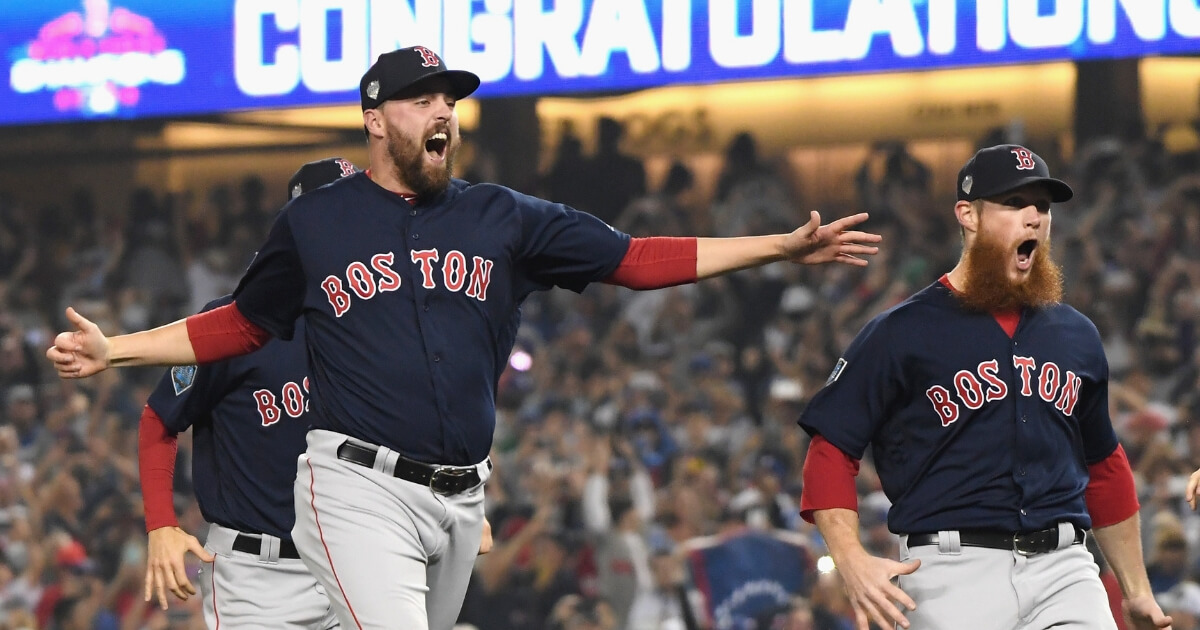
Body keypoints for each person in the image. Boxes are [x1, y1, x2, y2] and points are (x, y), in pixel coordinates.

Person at [46, 45, 880, 630]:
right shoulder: (316, 222)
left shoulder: (500, 215)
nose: (443, 111)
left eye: (450, 98)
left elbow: (633, 259)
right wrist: (117, 349)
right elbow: (240, 323)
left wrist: (777, 245)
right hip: (350, 486)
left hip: (459, 498)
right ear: (376, 119)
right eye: (422, 98)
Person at [796, 145, 1171, 630]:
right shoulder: (901, 331)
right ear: (967, 215)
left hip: (1065, 568)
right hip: (951, 574)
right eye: (1014, 203)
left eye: (1043, 206)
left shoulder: (1075, 334)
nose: (1034, 217)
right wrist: (851, 560)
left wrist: (1136, 589)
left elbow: (1104, 463)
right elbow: (830, 450)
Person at [136, 157, 359, 627]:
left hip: (356, 562)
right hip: (261, 575)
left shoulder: (375, 321)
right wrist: (160, 522)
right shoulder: (235, 321)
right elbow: (159, 417)